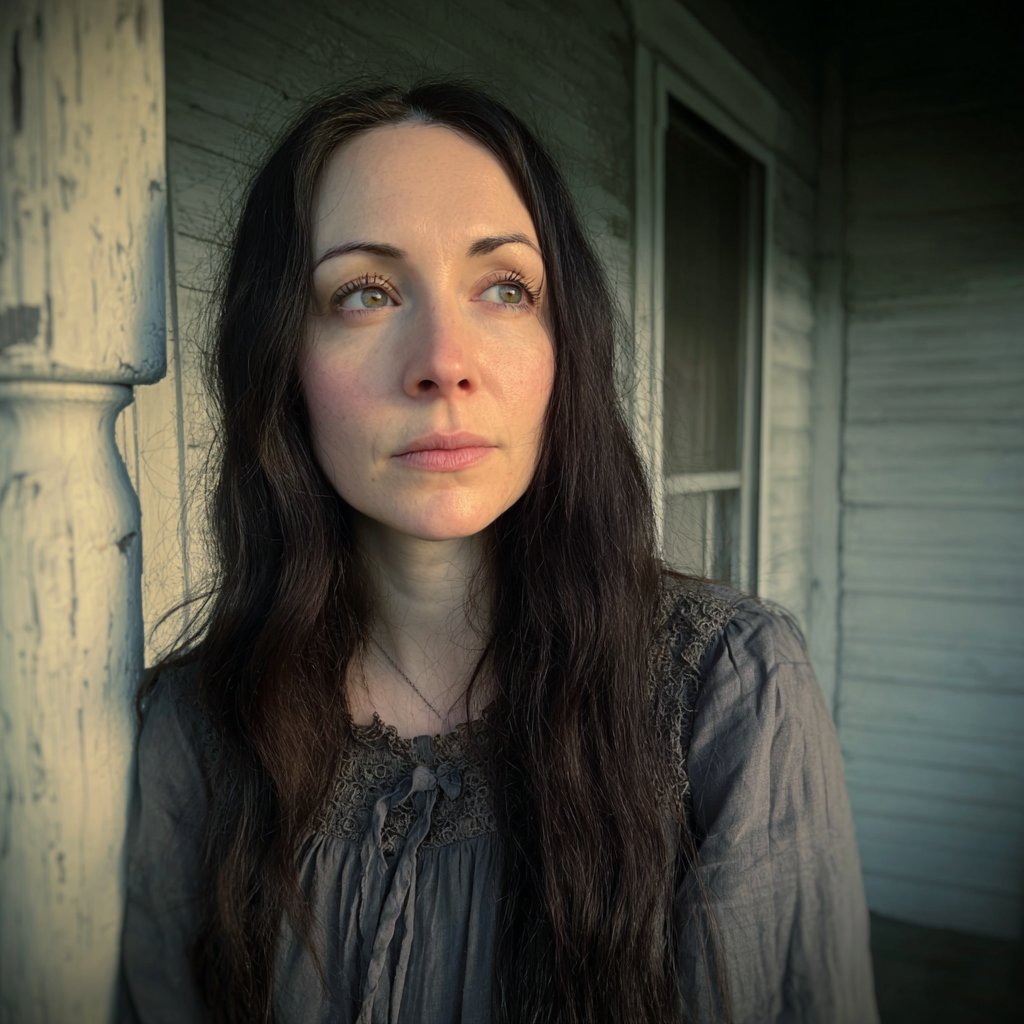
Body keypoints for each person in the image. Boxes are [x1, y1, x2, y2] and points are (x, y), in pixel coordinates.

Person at [120, 82, 878, 1024]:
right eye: (365, 293)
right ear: (280, 359)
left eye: (505, 288)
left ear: (565, 347)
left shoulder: (728, 692)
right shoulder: (198, 729)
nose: (445, 360)